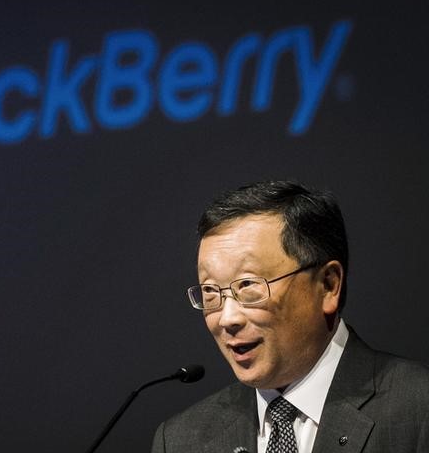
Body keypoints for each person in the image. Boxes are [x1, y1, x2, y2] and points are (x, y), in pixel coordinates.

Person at [151, 180, 429, 453]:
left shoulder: (417, 408)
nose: (227, 319)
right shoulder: (180, 440)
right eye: (210, 291)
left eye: (248, 285)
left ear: (328, 285)